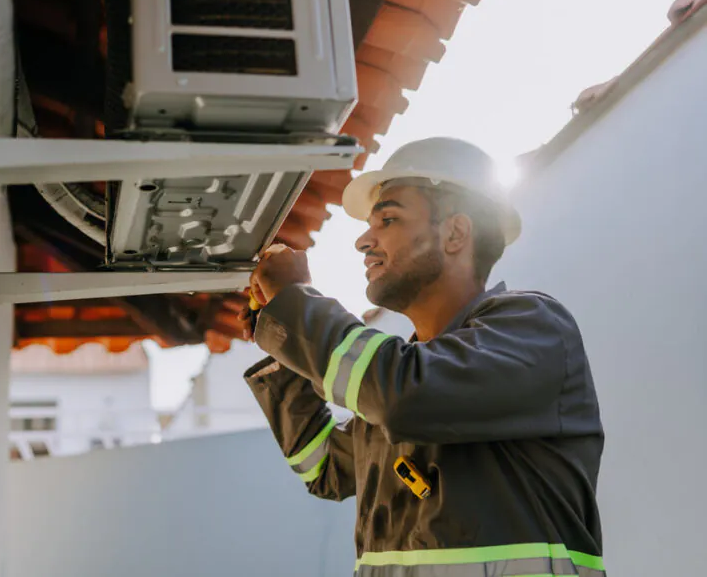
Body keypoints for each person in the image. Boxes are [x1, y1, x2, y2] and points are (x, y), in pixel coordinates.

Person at [241, 137, 605, 576]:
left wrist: (297, 305)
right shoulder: (405, 378)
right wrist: (284, 349)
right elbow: (323, 468)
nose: (363, 241)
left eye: (388, 219)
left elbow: (404, 394)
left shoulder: (533, 327)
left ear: (455, 233)